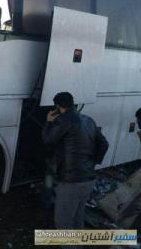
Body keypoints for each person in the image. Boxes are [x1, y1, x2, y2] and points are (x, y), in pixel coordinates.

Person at [42, 92, 97, 230]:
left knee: (63, 223)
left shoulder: (64, 120)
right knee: (77, 218)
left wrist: (48, 122)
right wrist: (90, 163)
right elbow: (104, 144)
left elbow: (48, 139)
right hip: (89, 179)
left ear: (58, 106)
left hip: (72, 182)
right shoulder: (88, 120)